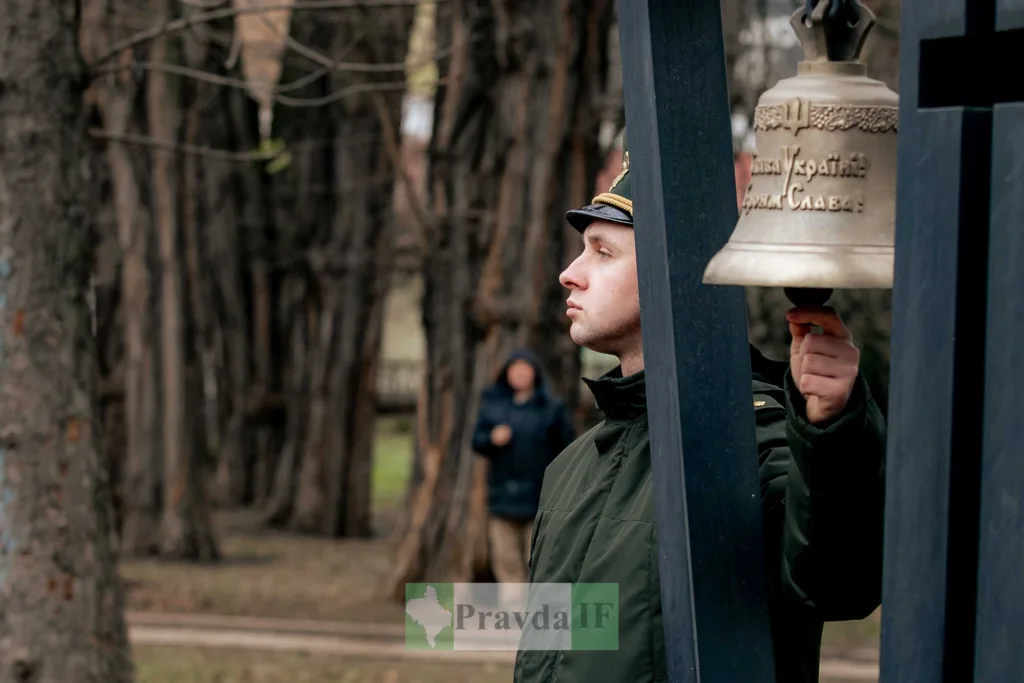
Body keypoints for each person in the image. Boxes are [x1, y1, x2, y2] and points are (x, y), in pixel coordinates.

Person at [513, 150, 886, 683]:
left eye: (602, 252)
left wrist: (831, 429)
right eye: (581, 251)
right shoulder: (570, 467)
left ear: (677, 270)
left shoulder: (753, 438)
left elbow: (839, 584)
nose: (569, 274)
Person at [471, 349, 577, 585]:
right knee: (505, 558)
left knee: (539, 557)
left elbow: (568, 448)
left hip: (541, 497)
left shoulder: (551, 409)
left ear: (534, 374)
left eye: (525, 368)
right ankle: (513, 610)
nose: (520, 373)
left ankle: (539, 610)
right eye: (514, 368)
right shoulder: (493, 405)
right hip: (502, 495)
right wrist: (492, 438)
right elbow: (476, 441)